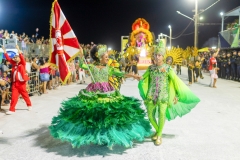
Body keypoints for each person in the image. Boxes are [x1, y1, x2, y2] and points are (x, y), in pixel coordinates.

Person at [49, 45, 152, 149]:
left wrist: (134, 76)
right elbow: (81, 64)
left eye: (108, 57)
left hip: (107, 92)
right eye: (106, 57)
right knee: (94, 115)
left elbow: (121, 74)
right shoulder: (92, 67)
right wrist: (81, 54)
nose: (108, 58)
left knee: (106, 114)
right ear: (100, 57)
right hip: (93, 92)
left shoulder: (109, 68)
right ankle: (95, 136)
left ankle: (104, 136)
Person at [137, 43, 200, 146]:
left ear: (163, 56)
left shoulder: (168, 69)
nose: (157, 57)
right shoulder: (151, 68)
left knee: (162, 114)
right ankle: (158, 131)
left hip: (164, 96)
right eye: (156, 55)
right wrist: (139, 78)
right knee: (150, 116)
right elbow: (143, 77)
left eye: (160, 55)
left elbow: (175, 81)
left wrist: (177, 95)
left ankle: (159, 136)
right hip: (151, 96)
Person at [2, 45, 32, 115]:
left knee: (25, 95)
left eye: (16, 57)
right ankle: (12, 109)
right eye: (14, 57)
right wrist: (5, 51)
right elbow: (9, 59)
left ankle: (29, 105)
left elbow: (22, 57)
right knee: (14, 97)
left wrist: (18, 49)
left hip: (22, 83)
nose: (15, 58)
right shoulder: (14, 64)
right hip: (15, 83)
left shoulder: (22, 64)